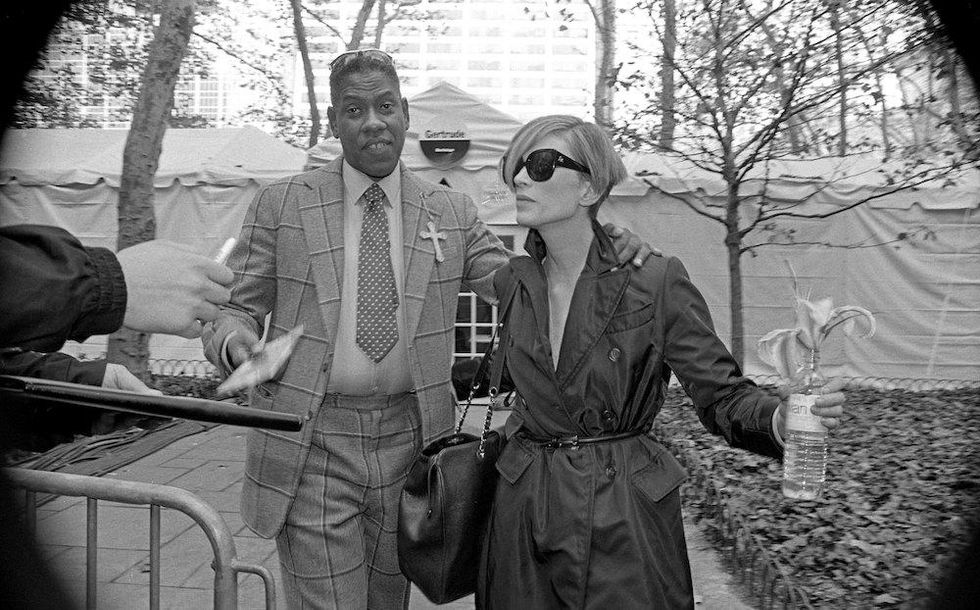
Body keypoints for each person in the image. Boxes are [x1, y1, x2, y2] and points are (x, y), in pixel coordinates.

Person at [202, 49, 655, 609]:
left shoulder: (451, 212)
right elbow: (235, 308)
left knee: (387, 603)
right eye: (354, 108)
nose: (373, 121)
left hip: (412, 450)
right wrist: (234, 343)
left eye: (385, 105)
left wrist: (593, 240)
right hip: (313, 441)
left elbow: (518, 283)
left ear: (405, 113)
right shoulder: (282, 206)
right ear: (334, 119)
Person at [476, 115, 849, 609]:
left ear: (588, 187)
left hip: (619, 519)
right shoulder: (513, 283)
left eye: (541, 164)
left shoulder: (653, 281)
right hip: (523, 513)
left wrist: (778, 419)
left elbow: (722, 395)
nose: (521, 177)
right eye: (516, 164)